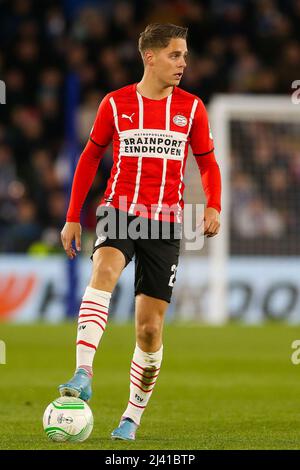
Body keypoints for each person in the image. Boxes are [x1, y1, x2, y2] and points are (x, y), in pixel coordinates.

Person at [59, 23, 221, 441]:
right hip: (119, 212)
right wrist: (73, 215)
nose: (183, 62)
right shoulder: (115, 104)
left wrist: (214, 205)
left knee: (149, 329)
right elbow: (90, 156)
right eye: (175, 54)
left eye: (184, 55)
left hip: (166, 223)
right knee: (104, 273)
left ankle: (131, 417)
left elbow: (207, 163)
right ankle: (82, 372)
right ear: (150, 57)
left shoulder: (192, 108)